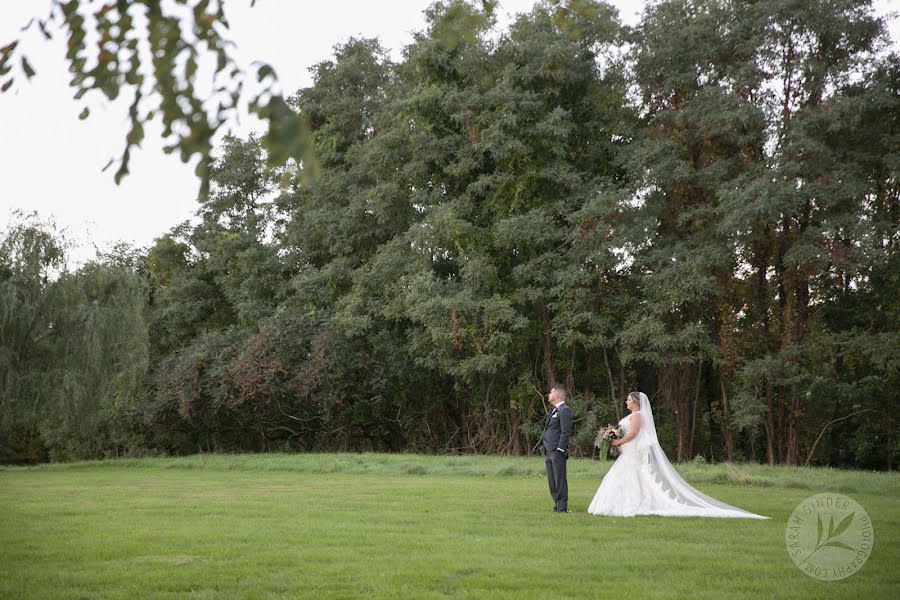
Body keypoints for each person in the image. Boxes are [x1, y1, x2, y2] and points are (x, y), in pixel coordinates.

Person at [587, 391, 768, 519]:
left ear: (635, 402)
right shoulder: (633, 414)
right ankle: (627, 503)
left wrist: (618, 441)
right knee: (629, 477)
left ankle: (631, 505)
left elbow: (633, 434)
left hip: (631, 451)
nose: (626, 402)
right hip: (628, 452)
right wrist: (612, 434)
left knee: (629, 476)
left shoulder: (638, 415)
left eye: (628, 400)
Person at [541, 386, 573, 513]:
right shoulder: (554, 410)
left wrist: (560, 448)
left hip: (557, 450)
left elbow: (565, 431)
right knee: (552, 480)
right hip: (548, 449)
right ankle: (557, 504)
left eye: (551, 393)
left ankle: (562, 507)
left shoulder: (565, 410)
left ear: (557, 395)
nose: (549, 394)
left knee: (559, 479)